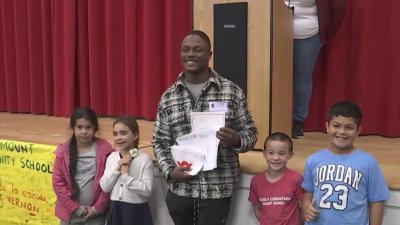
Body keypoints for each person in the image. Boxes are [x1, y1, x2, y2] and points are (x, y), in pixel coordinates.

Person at [152, 30, 258, 225]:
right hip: (180, 190)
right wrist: (169, 170)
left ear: (209, 55)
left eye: (197, 50)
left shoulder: (231, 91)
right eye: (185, 50)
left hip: (217, 190)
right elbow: (160, 140)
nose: (190, 54)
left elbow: (251, 133)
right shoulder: (169, 97)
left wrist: (237, 140)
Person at [302, 100, 390, 225]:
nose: (342, 132)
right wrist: (306, 207)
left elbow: (377, 201)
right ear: (327, 127)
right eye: (336, 126)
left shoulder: (368, 163)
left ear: (358, 130)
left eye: (349, 127)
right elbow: (308, 192)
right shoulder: (313, 160)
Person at [284, 0, 348, 138]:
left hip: (308, 32)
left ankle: (298, 122)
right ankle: (275, 120)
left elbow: (338, 6)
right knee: (275, 77)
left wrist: (326, 32)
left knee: (302, 79)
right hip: (274, 29)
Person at [52, 107, 114, 225]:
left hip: (96, 215)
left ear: (95, 128)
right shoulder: (63, 152)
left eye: (88, 127)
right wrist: (76, 208)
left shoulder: (105, 151)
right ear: (73, 128)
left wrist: (97, 208)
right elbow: (58, 183)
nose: (84, 132)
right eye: (80, 127)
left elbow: (110, 182)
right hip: (70, 214)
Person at [100, 116, 154, 225]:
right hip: (116, 210)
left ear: (135, 135)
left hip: (137, 211)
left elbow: (147, 190)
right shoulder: (112, 157)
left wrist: (126, 178)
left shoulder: (144, 159)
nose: (118, 137)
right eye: (115, 134)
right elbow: (105, 186)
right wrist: (117, 166)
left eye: (123, 133)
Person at [248, 132, 303, 225]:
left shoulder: (296, 179)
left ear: (290, 155)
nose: (276, 157)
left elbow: (303, 208)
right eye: (271, 153)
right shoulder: (256, 181)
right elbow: (257, 208)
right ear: (264, 154)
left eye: (281, 153)